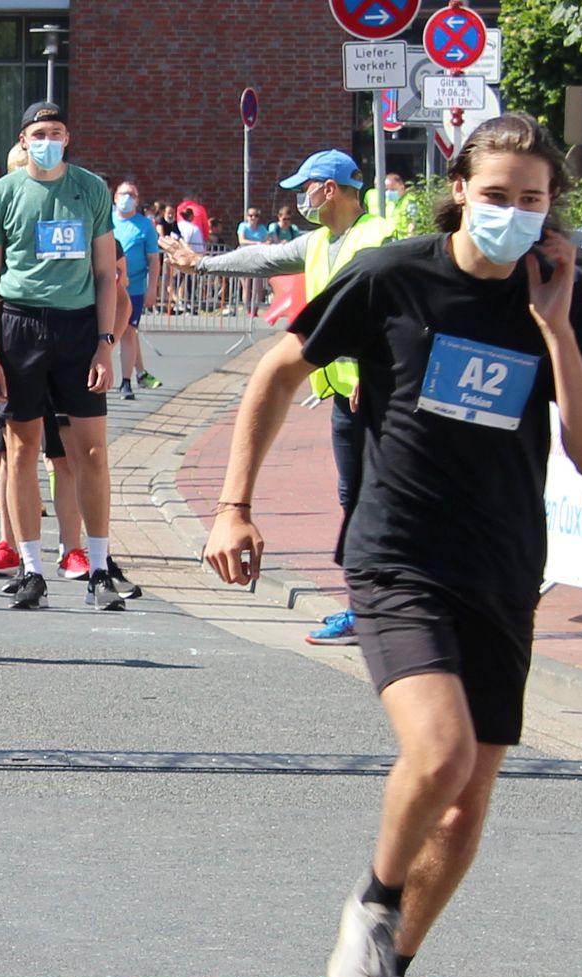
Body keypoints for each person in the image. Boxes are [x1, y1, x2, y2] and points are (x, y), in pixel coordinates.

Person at [202, 115, 582, 977]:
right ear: (459, 190)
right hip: (399, 555)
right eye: (498, 194)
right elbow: (276, 369)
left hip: (505, 565)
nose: (515, 213)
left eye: (534, 199)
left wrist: (555, 325)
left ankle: (385, 969)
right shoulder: (393, 276)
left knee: (468, 802)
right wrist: (233, 503)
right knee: (439, 753)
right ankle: (373, 909)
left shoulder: (557, 298)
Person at [168, 149, 400, 646]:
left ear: (330, 189)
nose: (300, 199)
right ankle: (366, 608)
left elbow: (393, 313)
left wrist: (373, 368)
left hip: (378, 393)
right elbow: (264, 257)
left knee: (382, 501)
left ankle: (386, 608)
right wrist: (202, 263)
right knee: (353, 499)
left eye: (306, 188)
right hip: (343, 397)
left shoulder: (379, 238)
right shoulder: (320, 241)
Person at [0, 101, 143, 611]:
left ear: (68, 139)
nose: (50, 140)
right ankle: (31, 568)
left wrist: (105, 344)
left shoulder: (90, 189)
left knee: (90, 450)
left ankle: (97, 565)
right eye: (40, 132)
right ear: (23, 141)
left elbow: (106, 273)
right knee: (22, 450)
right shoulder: (1, 194)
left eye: (58, 132)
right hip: (20, 325)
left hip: (77, 326)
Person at [110, 179, 163, 399]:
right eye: (123, 194)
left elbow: (153, 259)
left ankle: (125, 381)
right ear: (115, 198)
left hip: (134, 288)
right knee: (108, 331)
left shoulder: (145, 226)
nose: (127, 198)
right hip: (107, 285)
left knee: (128, 331)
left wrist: (152, 288)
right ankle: (138, 372)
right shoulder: (106, 221)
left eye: (132, 195)